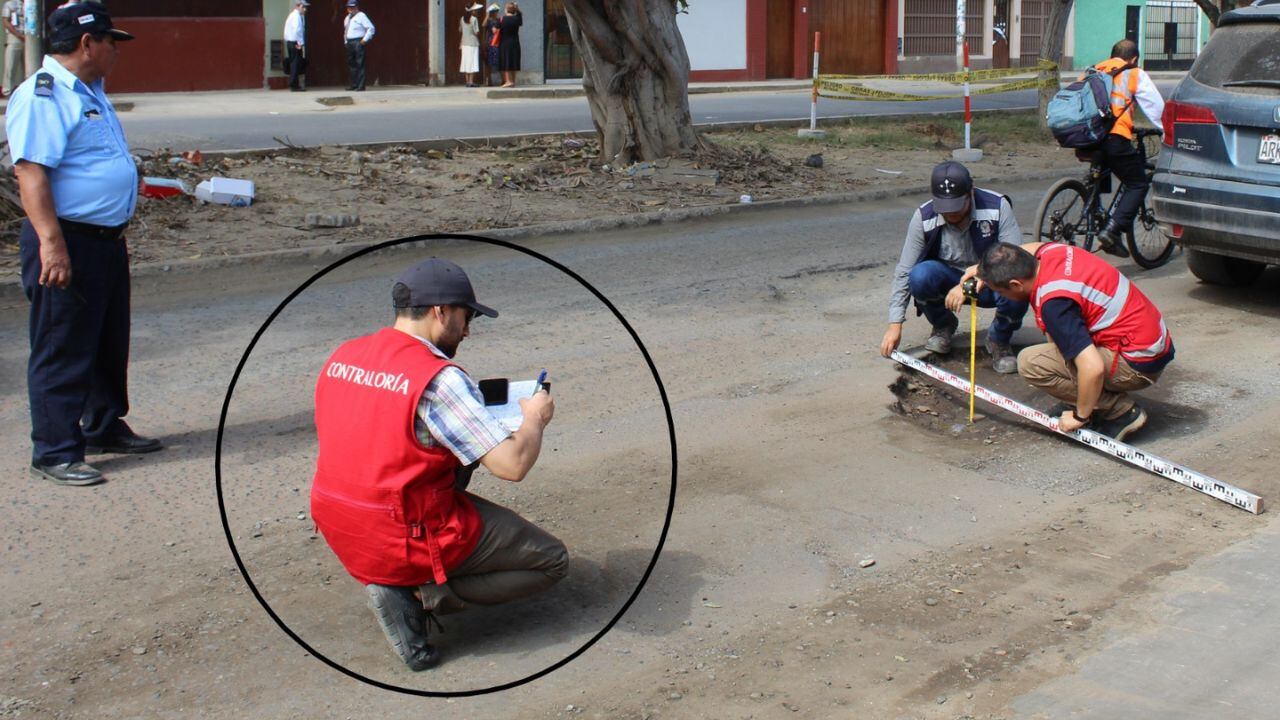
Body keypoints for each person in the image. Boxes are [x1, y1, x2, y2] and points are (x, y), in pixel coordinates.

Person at [312, 257, 568, 670]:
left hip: (339, 518)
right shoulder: (439, 379)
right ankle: (416, 595)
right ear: (440, 311)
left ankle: (403, 580)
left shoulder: (345, 354)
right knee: (552, 560)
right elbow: (512, 465)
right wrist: (534, 417)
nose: (466, 331)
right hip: (400, 530)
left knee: (455, 454)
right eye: (465, 318)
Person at [7, 4, 162, 487]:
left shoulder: (90, 91)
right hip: (66, 241)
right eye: (110, 41)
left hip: (103, 241)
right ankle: (54, 450)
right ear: (85, 44)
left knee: (105, 341)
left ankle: (102, 425)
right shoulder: (44, 96)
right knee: (62, 345)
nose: (116, 50)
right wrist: (52, 245)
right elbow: (30, 172)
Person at [973, 242, 1174, 441]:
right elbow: (1028, 248)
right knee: (1058, 341)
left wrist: (1080, 416)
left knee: (1031, 362)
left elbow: (1093, 367)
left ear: (1015, 284)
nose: (1001, 296)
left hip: (1138, 364)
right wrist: (982, 272)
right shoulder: (1054, 253)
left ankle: (1119, 411)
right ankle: (1089, 399)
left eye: (1000, 292)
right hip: (1150, 342)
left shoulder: (1054, 305)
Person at [879, 161, 1028, 374]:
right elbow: (904, 271)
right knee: (919, 275)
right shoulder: (924, 217)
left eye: (957, 207)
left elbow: (1013, 260)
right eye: (945, 209)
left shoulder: (997, 207)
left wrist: (969, 284)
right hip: (948, 283)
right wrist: (895, 324)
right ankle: (943, 325)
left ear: (971, 192)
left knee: (1019, 284)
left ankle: (998, 339)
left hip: (991, 283)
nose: (951, 215)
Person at [1089, 39, 1165, 259]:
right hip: (1115, 136)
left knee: (1101, 171)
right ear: (1133, 59)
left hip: (1087, 138)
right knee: (1137, 182)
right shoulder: (1134, 73)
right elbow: (1156, 108)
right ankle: (1112, 230)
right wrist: (1168, 132)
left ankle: (1097, 213)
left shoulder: (1094, 70)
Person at [342, 0, 374, 91]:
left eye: (352, 7)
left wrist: (364, 40)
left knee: (360, 64)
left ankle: (361, 85)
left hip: (358, 41)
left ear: (356, 7)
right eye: (349, 7)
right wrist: (345, 41)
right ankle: (354, 84)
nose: (350, 9)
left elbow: (371, 28)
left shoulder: (361, 16)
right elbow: (345, 31)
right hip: (349, 42)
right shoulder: (347, 18)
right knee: (352, 64)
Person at [283, 0, 308, 92]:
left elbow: (286, 32)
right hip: (295, 42)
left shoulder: (292, 16)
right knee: (296, 64)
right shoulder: (296, 16)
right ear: (299, 6)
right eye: (304, 7)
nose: (305, 9)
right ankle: (294, 85)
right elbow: (297, 31)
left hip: (290, 42)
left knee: (294, 62)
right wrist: (300, 43)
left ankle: (294, 84)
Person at [498, 1, 521, 88]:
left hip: (505, 42)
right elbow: (520, 16)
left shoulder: (502, 19)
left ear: (506, 10)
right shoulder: (517, 19)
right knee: (514, 61)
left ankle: (508, 81)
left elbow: (496, 30)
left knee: (506, 61)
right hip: (515, 42)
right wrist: (517, 8)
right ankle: (513, 81)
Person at [2, 0, 22, 97]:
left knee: (29, 66)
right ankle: (7, 91)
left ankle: (26, 91)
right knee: (10, 64)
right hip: (14, 37)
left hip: (30, 37)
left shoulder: (31, 3)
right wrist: (19, 35)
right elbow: (5, 21)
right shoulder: (10, 4)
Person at [460, 3, 482, 88]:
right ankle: (471, 81)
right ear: (472, 11)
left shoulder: (462, 19)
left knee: (466, 62)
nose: (476, 11)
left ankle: (467, 81)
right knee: (472, 62)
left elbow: (461, 30)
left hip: (464, 43)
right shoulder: (474, 19)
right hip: (472, 43)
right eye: (475, 10)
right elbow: (476, 32)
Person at [484, 4, 502, 87]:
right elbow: (483, 25)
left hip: (497, 42)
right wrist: (487, 15)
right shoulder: (489, 20)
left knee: (499, 61)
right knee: (489, 62)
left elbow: (502, 29)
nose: (496, 13)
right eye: (495, 11)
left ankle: (503, 79)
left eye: (496, 11)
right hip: (490, 42)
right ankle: (489, 80)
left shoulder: (499, 20)